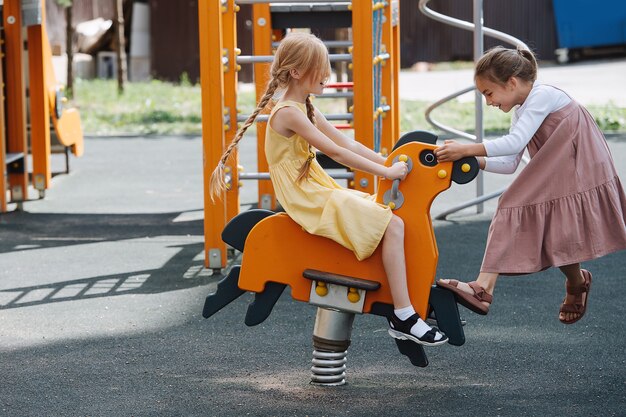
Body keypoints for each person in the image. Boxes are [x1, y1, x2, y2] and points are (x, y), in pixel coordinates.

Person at [210, 32, 447, 346]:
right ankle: (402, 314)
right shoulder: (289, 112)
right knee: (392, 225)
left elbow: (345, 141)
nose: (327, 75)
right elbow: (336, 153)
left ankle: (407, 302)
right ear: (296, 72)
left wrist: (386, 162)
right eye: (320, 68)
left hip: (315, 186)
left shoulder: (305, 104)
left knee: (390, 216)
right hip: (304, 195)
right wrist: (386, 171)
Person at [434, 45, 626, 324]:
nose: (488, 101)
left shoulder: (542, 95)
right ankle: (577, 281)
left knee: (510, 204)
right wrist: (474, 162)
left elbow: (512, 143)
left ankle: (483, 287)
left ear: (511, 82)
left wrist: (468, 149)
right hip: (560, 162)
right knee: (559, 227)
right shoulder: (521, 111)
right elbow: (511, 160)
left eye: (489, 93)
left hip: (578, 160)